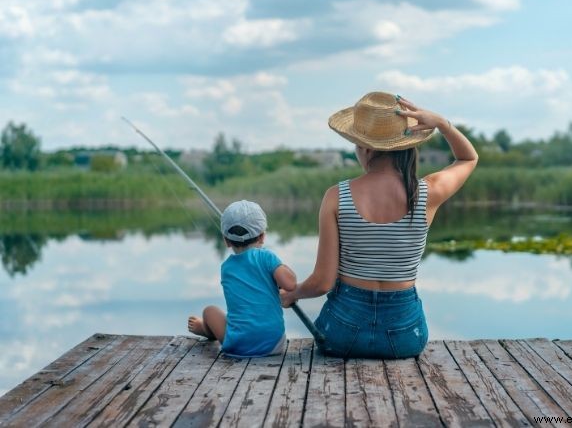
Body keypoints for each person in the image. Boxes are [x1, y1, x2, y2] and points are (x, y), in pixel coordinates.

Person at [280, 91, 478, 358]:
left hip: (340, 334)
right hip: (406, 337)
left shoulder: (337, 196)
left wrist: (293, 294)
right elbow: (468, 158)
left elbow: (322, 283)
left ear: (366, 148)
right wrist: (442, 124)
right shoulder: (428, 192)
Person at [188, 200, 297, 357]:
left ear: (226, 240)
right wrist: (281, 266)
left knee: (209, 311)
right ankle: (207, 329)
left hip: (237, 346)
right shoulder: (267, 257)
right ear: (262, 237)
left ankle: (206, 329)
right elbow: (291, 284)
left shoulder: (226, 267)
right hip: (273, 344)